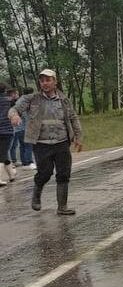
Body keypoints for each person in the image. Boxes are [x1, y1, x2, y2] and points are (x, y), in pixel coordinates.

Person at [8, 69, 83, 214]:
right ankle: (36, 195)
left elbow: (73, 118)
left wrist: (78, 137)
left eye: (48, 80)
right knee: (45, 172)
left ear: (55, 82)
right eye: (42, 81)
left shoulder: (64, 100)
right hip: (41, 144)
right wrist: (14, 116)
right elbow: (14, 109)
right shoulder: (31, 99)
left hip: (62, 142)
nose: (45, 83)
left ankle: (62, 207)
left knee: (64, 174)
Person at [12, 87, 35, 169]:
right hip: (24, 126)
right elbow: (26, 115)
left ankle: (24, 163)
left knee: (22, 145)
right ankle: (29, 162)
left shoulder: (19, 101)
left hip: (18, 128)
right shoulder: (25, 102)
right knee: (28, 145)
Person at [0, 83, 14, 186]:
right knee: (3, 154)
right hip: (7, 130)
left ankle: (11, 175)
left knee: (3, 153)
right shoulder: (9, 101)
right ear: (4, 90)